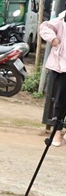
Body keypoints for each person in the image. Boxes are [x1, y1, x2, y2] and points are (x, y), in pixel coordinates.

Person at [39, 11, 66, 146]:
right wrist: (53, 39)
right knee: (60, 99)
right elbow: (44, 27)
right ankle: (56, 132)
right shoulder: (60, 20)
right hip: (63, 67)